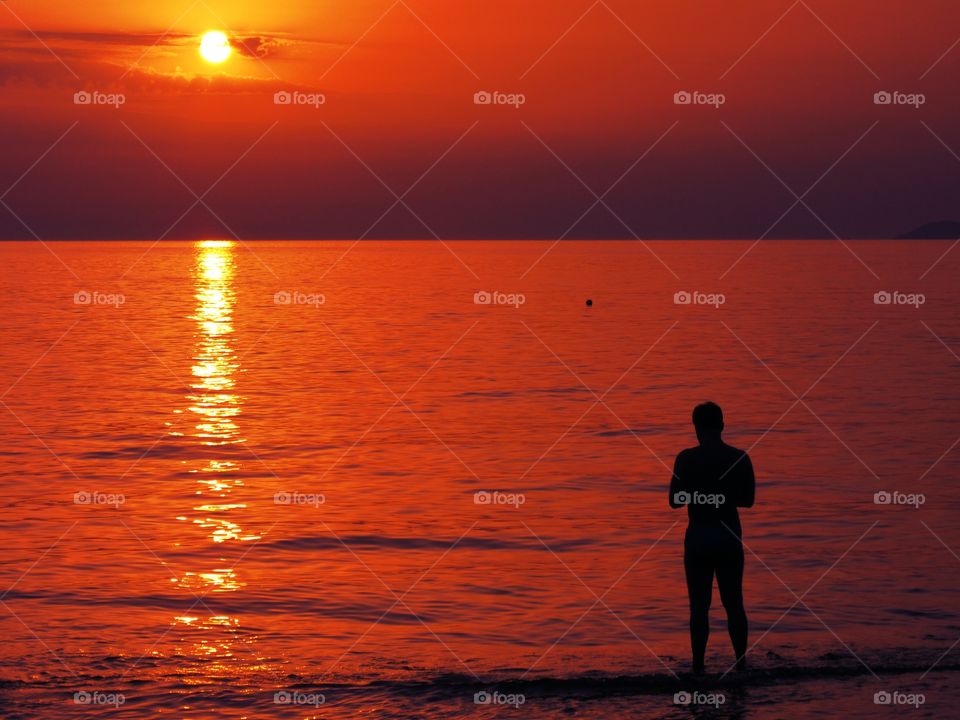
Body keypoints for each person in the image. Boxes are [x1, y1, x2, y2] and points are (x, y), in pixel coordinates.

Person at [669, 402, 755, 674]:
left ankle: (698, 668)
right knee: (734, 603)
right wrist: (721, 495)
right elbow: (748, 500)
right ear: (722, 425)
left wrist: (700, 494)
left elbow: (674, 501)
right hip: (728, 536)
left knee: (699, 607)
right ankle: (741, 665)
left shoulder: (685, 458)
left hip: (698, 538)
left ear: (696, 427)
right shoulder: (739, 457)